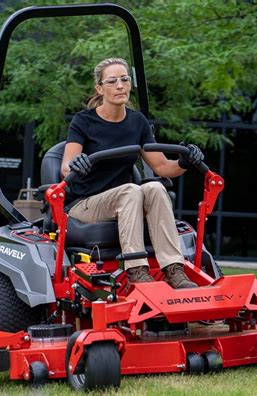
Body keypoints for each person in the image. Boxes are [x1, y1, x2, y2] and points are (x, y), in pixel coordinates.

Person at [61, 58, 204, 289]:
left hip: (125, 199)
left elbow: (162, 167)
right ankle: (136, 269)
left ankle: (174, 269)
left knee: (156, 187)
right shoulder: (83, 122)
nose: (120, 85)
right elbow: (66, 166)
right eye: (113, 81)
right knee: (131, 191)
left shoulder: (137, 121)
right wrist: (77, 163)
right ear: (100, 88)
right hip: (85, 204)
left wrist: (185, 162)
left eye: (125, 79)